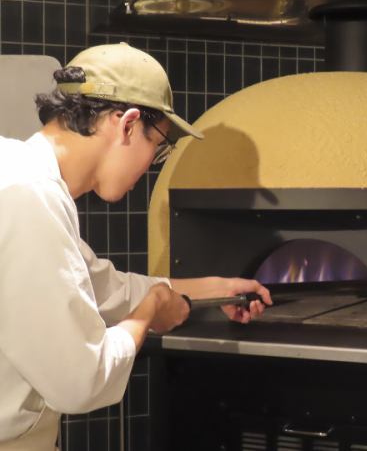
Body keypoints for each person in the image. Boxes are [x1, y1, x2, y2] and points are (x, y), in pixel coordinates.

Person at [0, 42, 272, 451]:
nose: (150, 167)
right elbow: (82, 380)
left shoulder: (16, 172)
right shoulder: (31, 197)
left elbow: (99, 286)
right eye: (158, 146)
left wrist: (214, 289)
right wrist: (149, 313)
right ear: (126, 124)